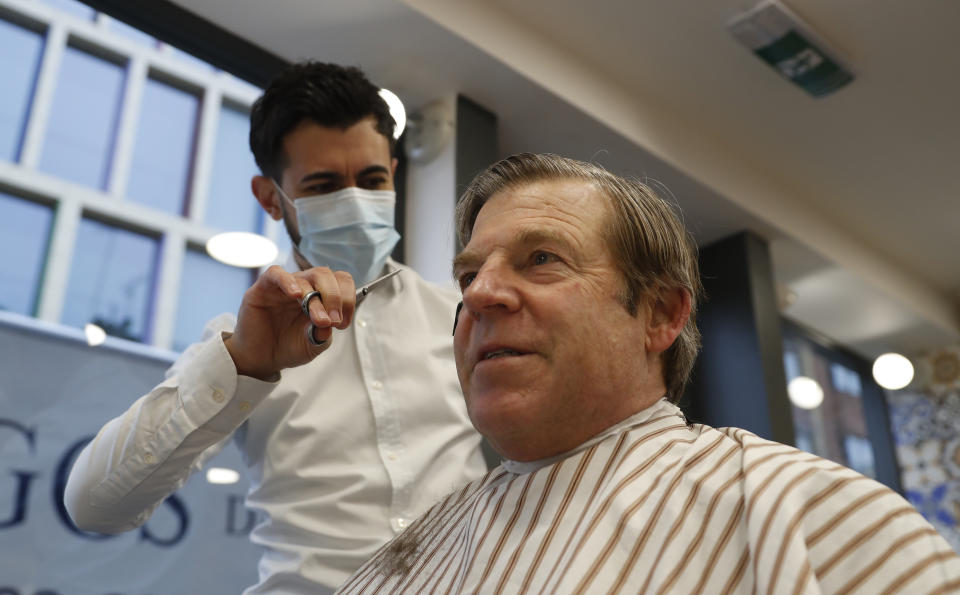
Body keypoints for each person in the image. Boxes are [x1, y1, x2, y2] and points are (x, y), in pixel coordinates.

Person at [337, 153, 960, 594]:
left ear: (659, 314)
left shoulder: (800, 510)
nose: (479, 295)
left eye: (543, 259)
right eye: (469, 275)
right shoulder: (415, 548)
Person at [64, 62, 487, 593]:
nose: (356, 200)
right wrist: (242, 364)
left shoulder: (461, 315)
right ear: (269, 198)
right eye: (325, 185)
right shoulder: (240, 342)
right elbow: (94, 506)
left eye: (373, 180)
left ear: (394, 176)